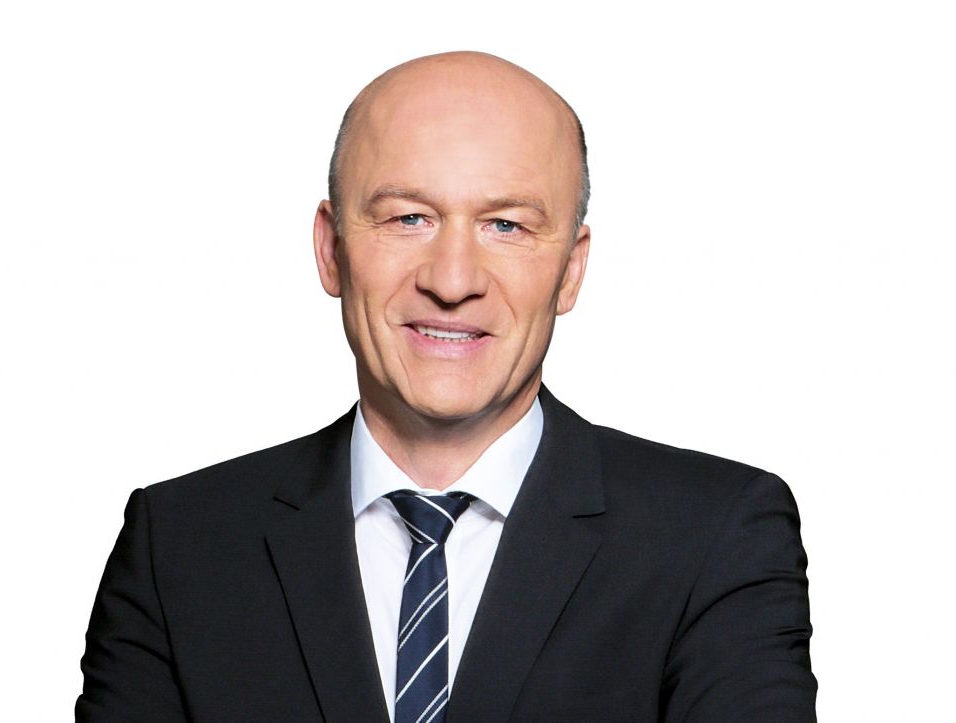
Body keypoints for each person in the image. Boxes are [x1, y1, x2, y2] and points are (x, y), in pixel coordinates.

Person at [76, 51, 816, 722]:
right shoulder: (179, 545)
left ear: (571, 270)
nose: (453, 280)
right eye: (409, 217)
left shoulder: (716, 538)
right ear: (331, 250)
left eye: (506, 226)